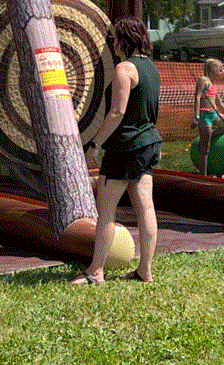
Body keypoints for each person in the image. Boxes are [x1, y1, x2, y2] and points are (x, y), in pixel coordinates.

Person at [70, 16, 162, 285]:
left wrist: (95, 145)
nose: (112, 43)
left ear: (123, 40)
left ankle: (95, 272)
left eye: (114, 39)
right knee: (145, 208)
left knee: (107, 211)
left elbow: (117, 112)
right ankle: (145, 270)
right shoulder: (152, 68)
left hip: (124, 146)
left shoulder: (125, 69)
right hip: (148, 144)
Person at [193, 58, 224, 176]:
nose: (221, 72)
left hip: (214, 114)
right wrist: (196, 117)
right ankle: (203, 174)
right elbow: (197, 97)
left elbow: (220, 103)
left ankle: (208, 136)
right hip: (204, 115)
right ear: (212, 69)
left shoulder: (213, 84)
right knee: (205, 149)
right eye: (220, 70)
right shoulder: (203, 80)